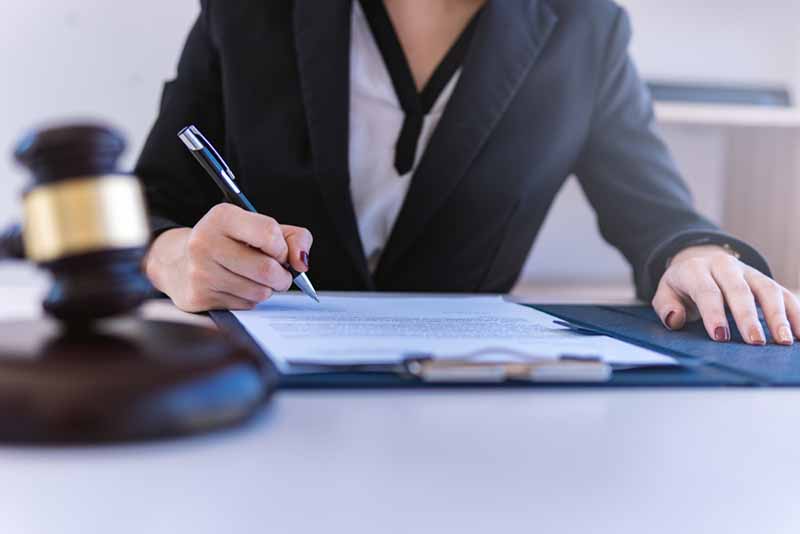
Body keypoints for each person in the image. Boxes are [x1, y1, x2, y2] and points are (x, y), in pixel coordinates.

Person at [137, 0, 800, 346]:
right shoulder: (249, 8)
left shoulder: (586, 29)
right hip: (259, 392)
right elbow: (149, 202)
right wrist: (170, 258)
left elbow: (656, 212)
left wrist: (697, 254)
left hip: (467, 406)